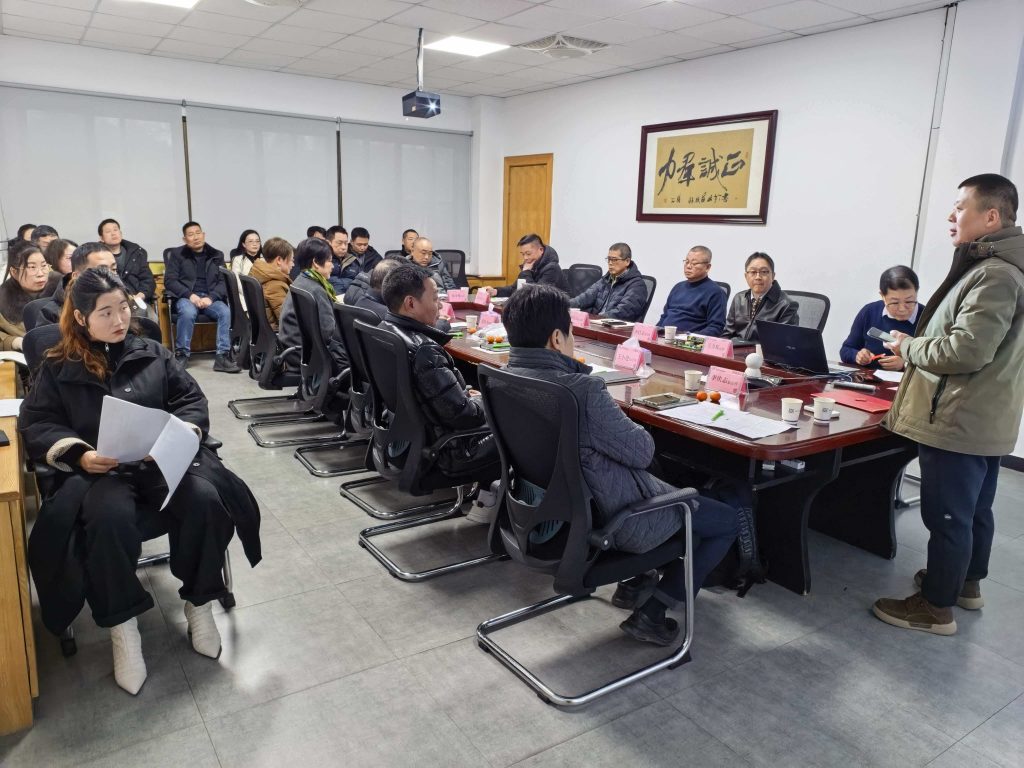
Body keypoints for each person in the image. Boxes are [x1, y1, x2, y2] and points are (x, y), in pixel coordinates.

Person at [20, 267, 261, 695]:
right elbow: (38, 422)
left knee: (206, 500)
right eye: (105, 313)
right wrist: (81, 453)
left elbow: (190, 399)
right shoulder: (58, 365)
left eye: (124, 308)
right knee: (108, 520)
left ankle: (200, 603)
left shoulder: (151, 351)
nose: (119, 320)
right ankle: (123, 627)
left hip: (159, 462)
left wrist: (179, 435)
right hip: (101, 472)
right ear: (81, 318)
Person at [502, 284, 738, 645]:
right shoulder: (580, 390)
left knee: (663, 482)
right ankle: (654, 613)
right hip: (608, 524)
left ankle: (636, 580)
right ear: (556, 338)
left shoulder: (504, 377)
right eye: (570, 333)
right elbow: (641, 452)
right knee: (725, 521)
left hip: (542, 513)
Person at [874, 173, 1024, 636]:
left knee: (947, 515)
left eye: (960, 207)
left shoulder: (994, 274)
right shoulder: (999, 267)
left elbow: (965, 351)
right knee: (974, 509)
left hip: (957, 416)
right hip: (982, 414)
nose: (950, 215)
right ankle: (964, 584)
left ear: (991, 216)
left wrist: (910, 347)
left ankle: (935, 608)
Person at [379, 262, 498, 478]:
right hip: (447, 451)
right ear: (411, 303)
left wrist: (462, 396)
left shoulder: (384, 330)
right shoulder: (424, 350)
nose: (441, 306)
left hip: (403, 441)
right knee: (523, 423)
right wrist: (483, 400)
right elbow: (465, 417)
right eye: (435, 299)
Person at [164, 221, 240, 373]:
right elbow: (170, 281)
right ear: (185, 239)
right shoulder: (177, 255)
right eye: (191, 235)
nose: (196, 237)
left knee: (225, 312)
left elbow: (223, 281)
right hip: (186, 297)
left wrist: (211, 297)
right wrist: (189, 295)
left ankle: (222, 357)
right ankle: (182, 354)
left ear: (203, 235)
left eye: (198, 233)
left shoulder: (216, 255)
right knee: (187, 312)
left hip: (210, 297)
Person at [278, 237, 348, 376]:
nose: (333, 266)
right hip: (307, 356)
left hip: (295, 352)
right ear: (316, 262)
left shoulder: (301, 280)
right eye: (330, 261)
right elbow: (328, 333)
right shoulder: (316, 290)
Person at [840, 266, 923, 371]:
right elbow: (846, 350)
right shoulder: (869, 311)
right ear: (882, 296)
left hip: (908, 381)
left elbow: (937, 362)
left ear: (916, 292)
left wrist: (905, 364)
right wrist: (857, 356)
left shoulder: (928, 317)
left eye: (909, 301)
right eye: (895, 302)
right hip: (869, 378)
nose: (902, 309)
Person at [36, 242, 119, 327]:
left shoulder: (122, 300)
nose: (111, 276)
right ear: (76, 277)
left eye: (114, 269)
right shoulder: (52, 313)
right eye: (101, 271)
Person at [722, 252, 799, 342]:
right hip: (737, 349)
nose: (758, 277)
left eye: (764, 272)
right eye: (753, 272)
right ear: (746, 276)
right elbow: (727, 333)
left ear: (773, 276)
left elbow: (783, 343)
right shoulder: (739, 298)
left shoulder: (787, 305)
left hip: (765, 351)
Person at [656, 245, 727, 335]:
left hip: (688, 341)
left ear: (707, 267)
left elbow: (716, 327)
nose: (688, 266)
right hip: (664, 337)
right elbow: (664, 316)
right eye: (686, 262)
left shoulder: (716, 293)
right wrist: (655, 332)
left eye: (694, 263)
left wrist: (690, 338)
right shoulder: (678, 287)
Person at [0, 242, 59, 350]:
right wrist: (14, 342)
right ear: (14, 272)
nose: (40, 273)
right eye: (32, 267)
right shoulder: (2, 300)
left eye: (44, 265)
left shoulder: (64, 289)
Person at [569, 243, 648, 321]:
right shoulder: (606, 279)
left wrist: (597, 319)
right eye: (609, 259)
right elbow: (584, 298)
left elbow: (623, 312)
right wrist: (564, 305)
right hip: (597, 323)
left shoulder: (637, 285)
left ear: (627, 261)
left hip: (614, 326)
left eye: (614, 260)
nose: (610, 263)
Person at [484, 234, 568, 297]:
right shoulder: (531, 264)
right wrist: (495, 291)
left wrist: (526, 272)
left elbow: (537, 295)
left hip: (558, 309)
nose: (525, 258)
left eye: (528, 253)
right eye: (523, 254)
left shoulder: (552, 268)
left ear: (541, 250)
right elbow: (515, 288)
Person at [98, 218, 156, 310]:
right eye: (108, 231)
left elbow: (148, 280)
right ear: (101, 238)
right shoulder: (98, 256)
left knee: (148, 316)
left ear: (121, 233)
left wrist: (141, 295)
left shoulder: (137, 253)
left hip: (137, 301)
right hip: (110, 303)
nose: (113, 233)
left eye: (115, 230)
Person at [249, 236, 293, 331]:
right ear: (279, 260)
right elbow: (288, 320)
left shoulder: (259, 273)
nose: (292, 264)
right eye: (291, 260)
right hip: (276, 333)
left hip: (263, 332)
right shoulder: (274, 285)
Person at [324, 225, 358, 293]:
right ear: (328, 243)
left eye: (346, 243)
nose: (344, 247)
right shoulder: (321, 261)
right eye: (339, 243)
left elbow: (360, 283)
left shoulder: (353, 260)